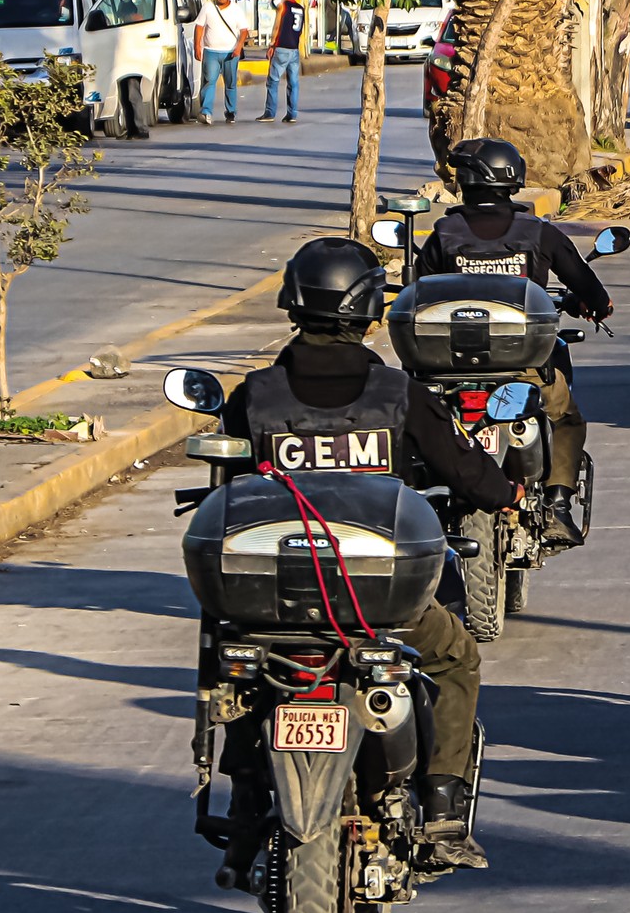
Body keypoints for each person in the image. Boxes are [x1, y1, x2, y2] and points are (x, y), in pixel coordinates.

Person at [220, 237, 522, 867]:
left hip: (277, 600)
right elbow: (469, 473)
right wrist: (505, 494)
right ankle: (441, 809)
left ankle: (244, 807)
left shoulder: (254, 397)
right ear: (366, 311)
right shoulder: (397, 393)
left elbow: (229, 492)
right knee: (457, 657)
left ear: (294, 304)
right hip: (378, 600)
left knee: (234, 675)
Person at [416, 138, 612, 549]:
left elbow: (418, 294)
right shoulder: (539, 233)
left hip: (449, 367)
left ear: (466, 181)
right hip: (523, 367)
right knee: (566, 418)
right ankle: (557, 504)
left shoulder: (442, 234)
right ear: (512, 179)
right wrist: (595, 305)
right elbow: (590, 289)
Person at [194, 0, 248, 125]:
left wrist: (238, 47)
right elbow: (199, 27)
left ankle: (230, 112)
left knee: (230, 84)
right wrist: (197, 47)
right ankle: (206, 112)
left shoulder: (236, 9)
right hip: (211, 52)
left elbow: (243, 31)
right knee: (209, 81)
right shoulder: (208, 7)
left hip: (230, 53)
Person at [260, 0, 306, 124]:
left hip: (282, 47)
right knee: (293, 83)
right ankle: (292, 114)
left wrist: (272, 44)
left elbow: (277, 26)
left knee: (273, 81)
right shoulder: (301, 8)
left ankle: (270, 112)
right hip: (294, 49)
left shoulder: (283, 6)